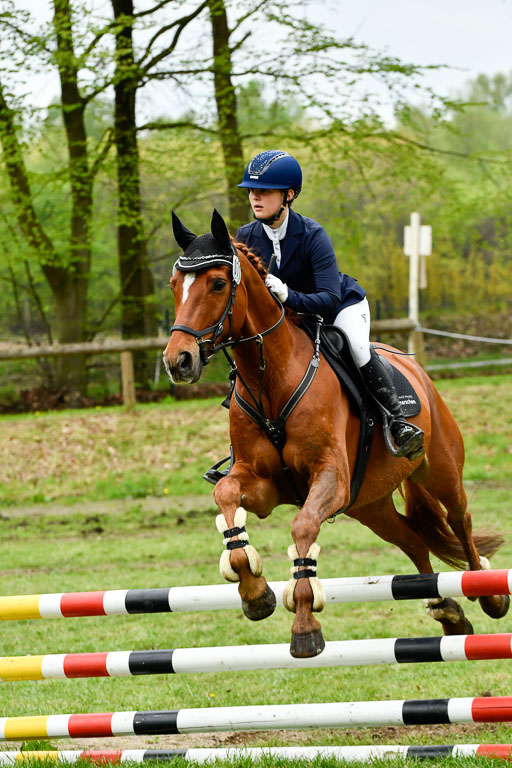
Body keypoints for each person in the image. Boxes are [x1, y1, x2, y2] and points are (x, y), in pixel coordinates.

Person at [235, 149, 424, 461]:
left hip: (338, 307)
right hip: (290, 320)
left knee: (358, 348)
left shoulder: (312, 234)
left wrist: (287, 295)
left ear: (288, 195)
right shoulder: (246, 235)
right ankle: (238, 451)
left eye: (264, 191)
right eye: (252, 191)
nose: (255, 197)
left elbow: (329, 298)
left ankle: (398, 422)